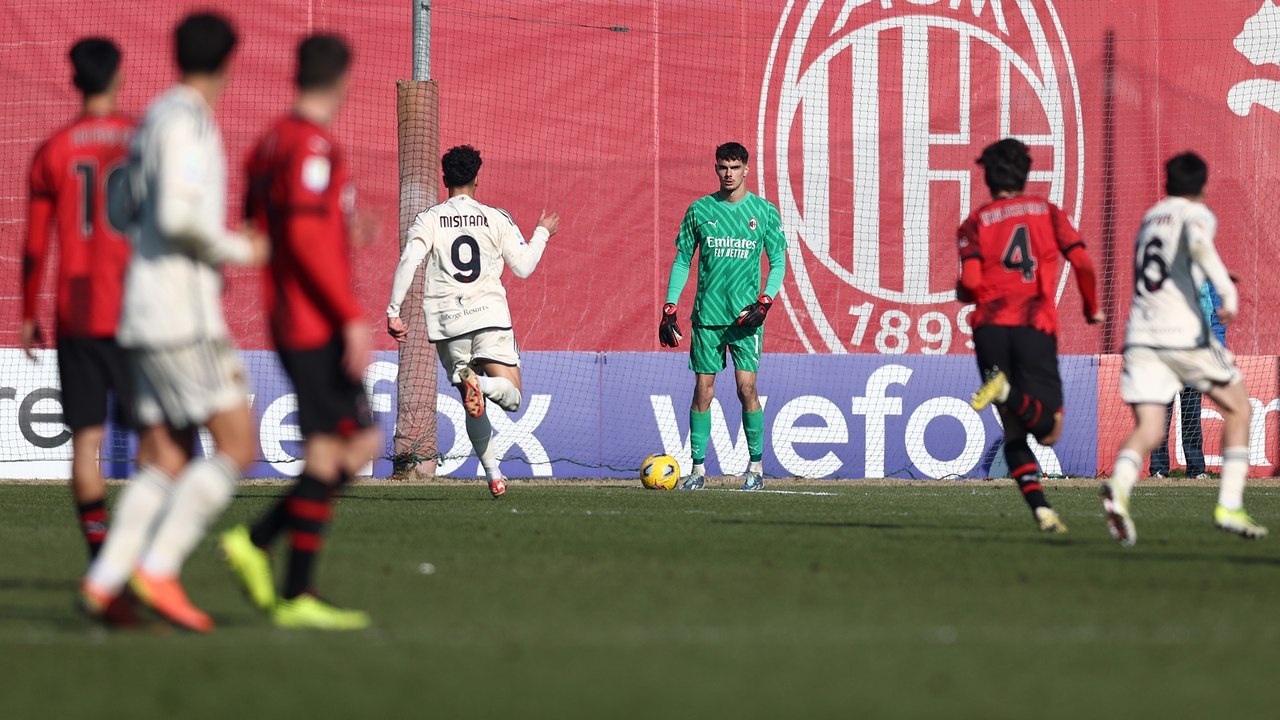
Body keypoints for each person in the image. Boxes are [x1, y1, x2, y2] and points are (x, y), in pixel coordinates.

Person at [78, 13, 268, 632]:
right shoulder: (187, 120)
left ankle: (104, 581)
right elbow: (179, 214)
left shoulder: (156, 115)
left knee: (166, 457)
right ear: (230, 62)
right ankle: (158, 567)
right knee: (239, 443)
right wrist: (243, 248)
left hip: (140, 307)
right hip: (181, 316)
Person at [218, 34, 379, 631]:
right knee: (346, 448)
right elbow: (304, 240)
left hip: (288, 315)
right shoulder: (315, 144)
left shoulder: (266, 144)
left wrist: (341, 227)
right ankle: (275, 564)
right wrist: (349, 315)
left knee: (345, 447)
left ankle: (281, 573)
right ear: (342, 81)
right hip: (314, 319)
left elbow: (260, 229)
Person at [1100, 152, 1267, 546]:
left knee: (1151, 428)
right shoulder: (1197, 215)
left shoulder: (1149, 219)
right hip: (1182, 333)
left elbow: (1168, 263)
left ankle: (1119, 487)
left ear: (1166, 184)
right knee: (1238, 407)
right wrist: (1227, 293)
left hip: (1140, 335)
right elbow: (1199, 247)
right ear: (1203, 186)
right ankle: (1228, 505)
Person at [386, 145, 558, 497]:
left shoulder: (429, 218)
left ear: (444, 178)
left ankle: (494, 474)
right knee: (512, 399)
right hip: (489, 316)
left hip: (448, 323)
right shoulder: (496, 217)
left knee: (470, 398)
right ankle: (482, 383)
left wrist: (393, 310)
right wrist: (542, 232)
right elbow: (523, 268)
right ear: (478, 177)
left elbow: (409, 260)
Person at [23, 38, 135, 564]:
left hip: (76, 311)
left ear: (74, 79)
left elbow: (34, 244)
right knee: (159, 439)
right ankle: (147, 559)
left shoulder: (54, 149)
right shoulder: (139, 142)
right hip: (136, 311)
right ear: (117, 77)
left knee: (85, 441)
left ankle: (99, 559)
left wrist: (27, 312)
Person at [961, 138, 1102, 533]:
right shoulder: (1048, 212)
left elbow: (970, 283)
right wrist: (1092, 307)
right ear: (1026, 173)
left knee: (1013, 429)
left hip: (989, 329)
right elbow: (1084, 263)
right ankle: (1005, 391)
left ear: (987, 177)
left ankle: (1041, 509)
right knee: (1050, 430)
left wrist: (964, 291)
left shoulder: (974, 222)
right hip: (1032, 325)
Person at [659, 141, 787, 491]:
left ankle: (756, 467)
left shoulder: (764, 211)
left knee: (747, 389)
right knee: (703, 391)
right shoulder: (700, 210)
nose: (728, 174)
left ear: (747, 169)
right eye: (722, 167)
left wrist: (765, 302)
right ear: (716, 169)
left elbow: (778, 262)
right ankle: (698, 470)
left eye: (734, 167)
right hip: (708, 317)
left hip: (746, 318)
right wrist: (670, 306)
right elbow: (683, 260)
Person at [1149, 282, 1226, 479]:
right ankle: (1158, 469)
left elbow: (1217, 321)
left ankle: (1196, 469)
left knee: (1192, 419)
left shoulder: (1209, 282)